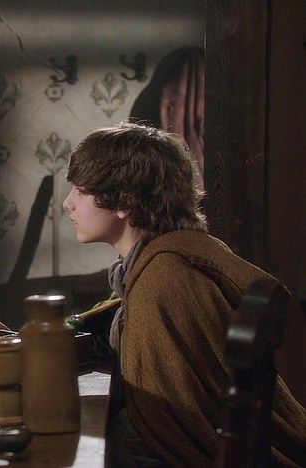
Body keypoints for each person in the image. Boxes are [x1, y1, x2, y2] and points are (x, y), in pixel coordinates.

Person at [62, 122, 306, 466]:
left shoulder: (165, 278)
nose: (68, 203)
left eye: (80, 190)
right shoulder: (160, 261)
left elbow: (171, 422)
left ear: (124, 200)